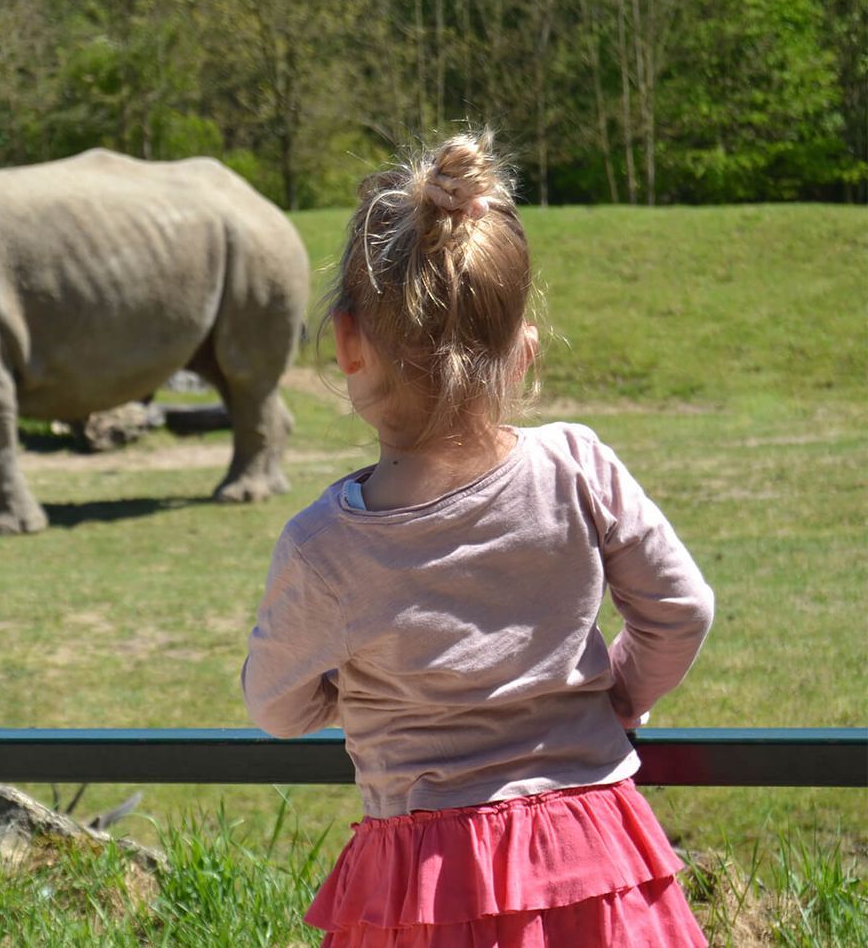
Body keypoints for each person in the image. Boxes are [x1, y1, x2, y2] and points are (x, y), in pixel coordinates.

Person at [240, 131, 715, 946]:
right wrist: (621, 696)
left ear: (348, 345)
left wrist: (355, 698)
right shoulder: (578, 467)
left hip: (426, 881)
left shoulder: (325, 545)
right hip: (594, 853)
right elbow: (681, 608)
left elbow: (276, 705)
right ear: (523, 352)